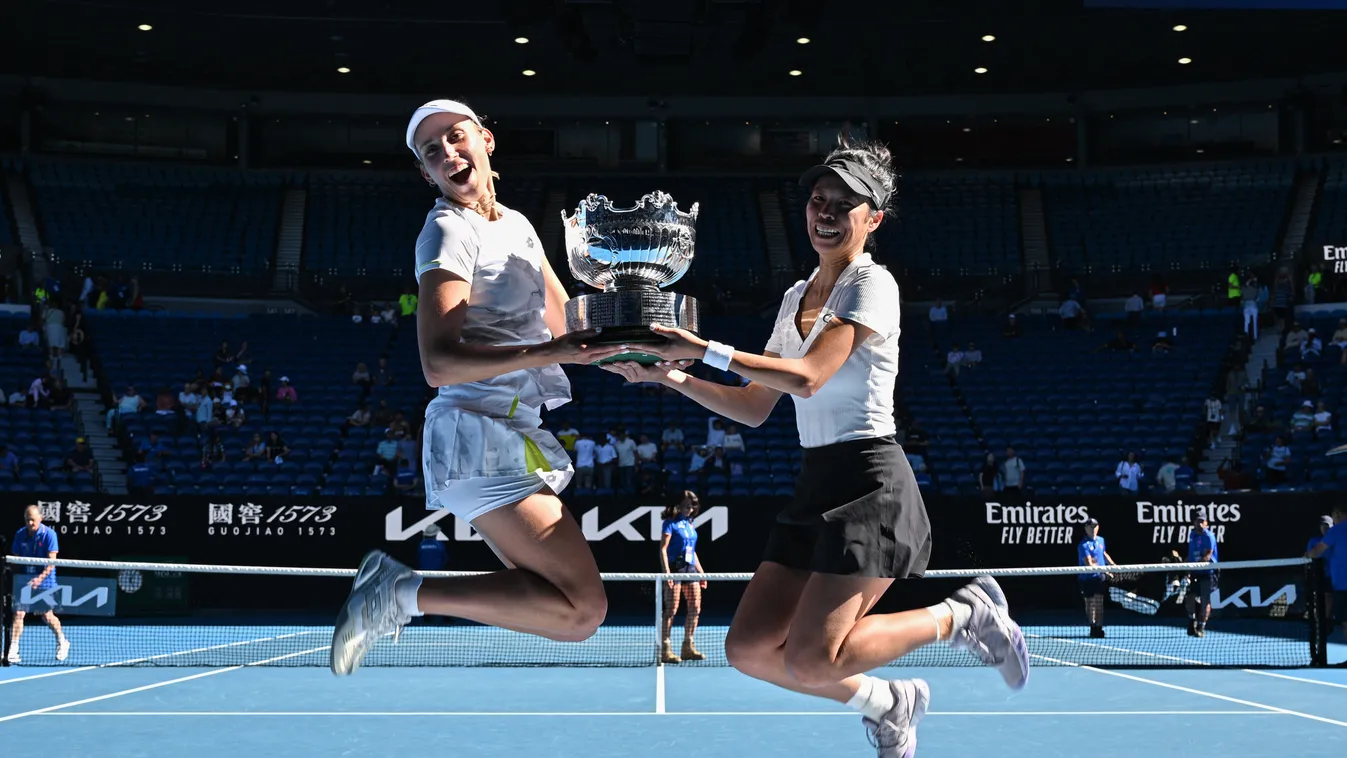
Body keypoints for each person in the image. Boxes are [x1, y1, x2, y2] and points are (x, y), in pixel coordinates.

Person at [601, 135, 1028, 756]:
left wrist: (700, 348)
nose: (824, 213)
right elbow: (752, 407)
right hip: (817, 483)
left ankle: (963, 615)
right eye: (818, 200)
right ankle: (888, 703)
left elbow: (808, 378)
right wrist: (668, 376)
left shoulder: (871, 284)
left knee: (812, 656)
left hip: (871, 483)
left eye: (843, 204)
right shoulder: (793, 298)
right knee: (747, 648)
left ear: (872, 219)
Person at [329, 99, 627, 676]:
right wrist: (550, 352)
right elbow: (438, 364)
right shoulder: (445, 230)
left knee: (573, 613)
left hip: (515, 428)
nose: (447, 153)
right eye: (432, 151)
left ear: (486, 141)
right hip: (475, 432)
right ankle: (399, 593)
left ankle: (402, 594)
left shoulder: (516, 225)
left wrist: (637, 343)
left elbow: (570, 330)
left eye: (456, 137)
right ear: (426, 173)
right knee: (583, 607)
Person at [7, 505, 71, 664]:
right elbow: (16, 560)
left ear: (40, 519)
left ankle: (62, 641)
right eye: (27, 519)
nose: (30, 523)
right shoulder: (20, 534)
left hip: (46, 581)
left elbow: (51, 563)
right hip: (24, 581)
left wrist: (39, 579)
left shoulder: (50, 535)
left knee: (47, 616)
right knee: (19, 613)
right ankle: (13, 649)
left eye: (33, 520)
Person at [659, 490, 707, 664]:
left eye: (693, 506)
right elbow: (663, 549)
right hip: (674, 569)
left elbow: (692, 552)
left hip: (690, 569)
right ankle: (666, 649)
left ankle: (688, 646)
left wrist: (701, 572)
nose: (691, 508)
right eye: (687, 505)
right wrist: (667, 573)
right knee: (671, 610)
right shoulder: (669, 523)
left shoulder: (690, 524)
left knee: (695, 608)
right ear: (679, 505)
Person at [1307, 505, 1346, 659]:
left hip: (1344, 586)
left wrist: (1308, 554)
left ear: (1338, 515)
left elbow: (1317, 551)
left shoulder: (1336, 531)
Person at [1076, 518, 1116, 638]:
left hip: (1100, 577)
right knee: (1089, 603)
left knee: (1099, 602)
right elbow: (1089, 563)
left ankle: (1099, 627)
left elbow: (1103, 554)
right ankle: (1092, 625)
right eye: (1090, 527)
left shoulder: (1101, 540)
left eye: (1095, 527)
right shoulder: (1083, 545)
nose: (1093, 529)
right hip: (1087, 578)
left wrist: (1113, 566)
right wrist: (1105, 569)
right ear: (1086, 529)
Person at [1185, 513, 1219, 638]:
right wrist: (1184, 566)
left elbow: (1207, 556)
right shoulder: (1192, 535)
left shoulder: (1209, 536)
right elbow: (1192, 554)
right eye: (1197, 521)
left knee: (1205, 600)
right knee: (1190, 598)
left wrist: (1193, 566)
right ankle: (1191, 621)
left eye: (1202, 521)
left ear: (1206, 523)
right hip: (1195, 572)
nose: (1199, 524)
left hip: (1208, 572)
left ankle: (1201, 626)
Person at [1306, 514, 1336, 623]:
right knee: (1320, 598)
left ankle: (1327, 619)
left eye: (1327, 525)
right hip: (1318, 575)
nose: (1324, 527)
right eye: (1322, 525)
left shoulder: (1337, 539)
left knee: (1329, 597)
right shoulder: (1314, 541)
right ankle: (1321, 620)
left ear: (1332, 526)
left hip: (1335, 576)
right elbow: (1308, 557)